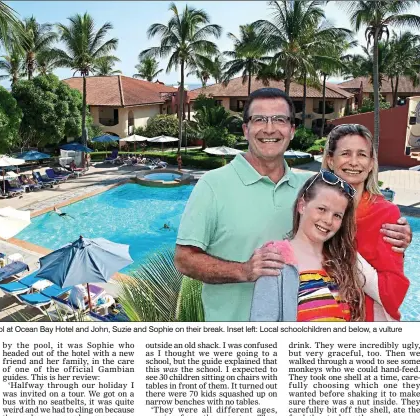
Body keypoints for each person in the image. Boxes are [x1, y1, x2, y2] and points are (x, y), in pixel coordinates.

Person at [175, 88, 412, 321]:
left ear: (292, 130)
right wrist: (243, 270)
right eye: (259, 119)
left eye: (279, 119)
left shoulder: (310, 188)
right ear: (246, 129)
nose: (270, 128)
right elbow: (184, 259)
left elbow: (350, 223)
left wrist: (400, 231)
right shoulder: (213, 185)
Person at [322, 124, 409, 320]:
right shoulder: (312, 209)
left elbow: (392, 292)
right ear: (330, 160)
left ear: (371, 164)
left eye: (362, 155)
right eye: (345, 153)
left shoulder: (385, 214)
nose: (354, 162)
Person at [250, 171, 364, 321]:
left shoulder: (340, 262)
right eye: (322, 209)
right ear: (302, 205)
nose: (328, 220)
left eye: (337, 215)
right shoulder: (275, 260)